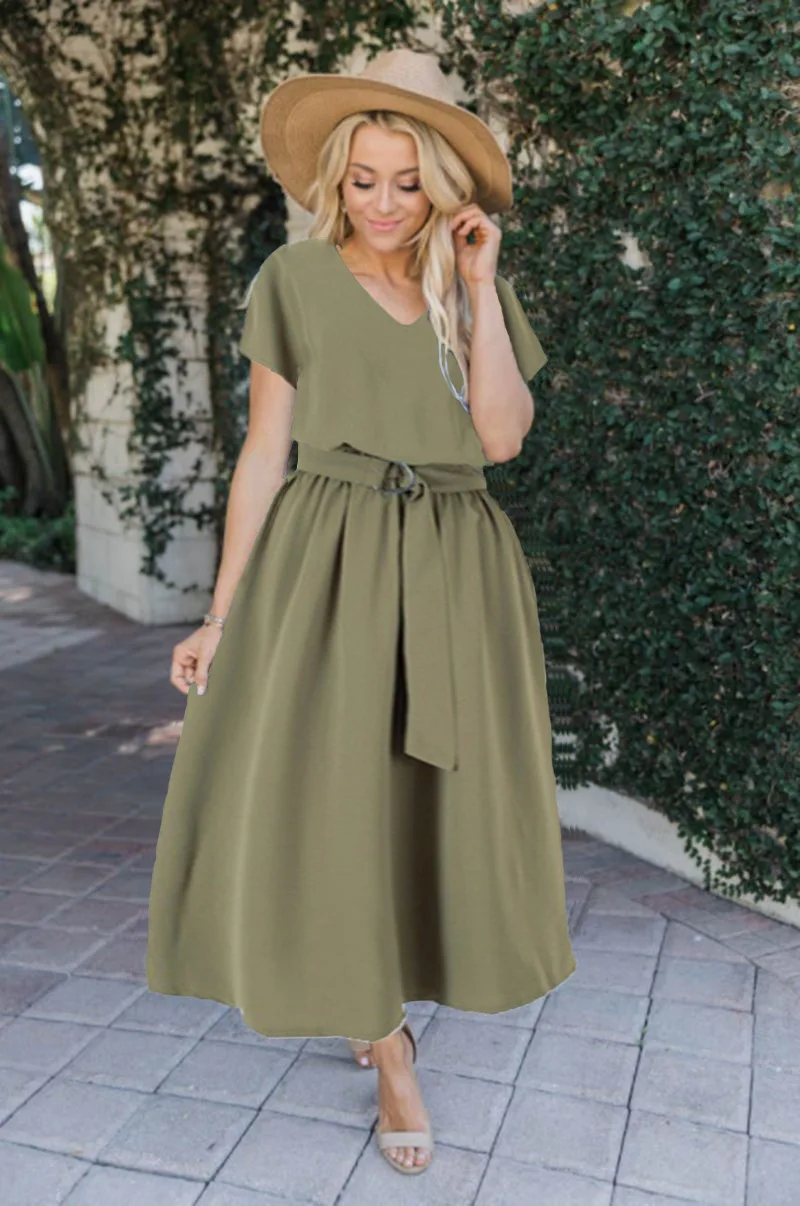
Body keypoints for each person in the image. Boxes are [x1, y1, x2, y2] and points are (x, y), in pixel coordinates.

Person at [146, 48, 576, 1177]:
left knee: (426, 806)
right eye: (363, 179)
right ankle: (387, 1050)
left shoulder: (467, 283)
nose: (383, 203)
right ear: (335, 179)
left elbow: (500, 438)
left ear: (443, 186)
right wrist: (217, 617)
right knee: (334, 805)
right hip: (326, 562)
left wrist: (477, 288)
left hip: (457, 562)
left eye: (407, 182)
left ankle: (384, 1004)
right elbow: (263, 454)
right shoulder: (291, 280)